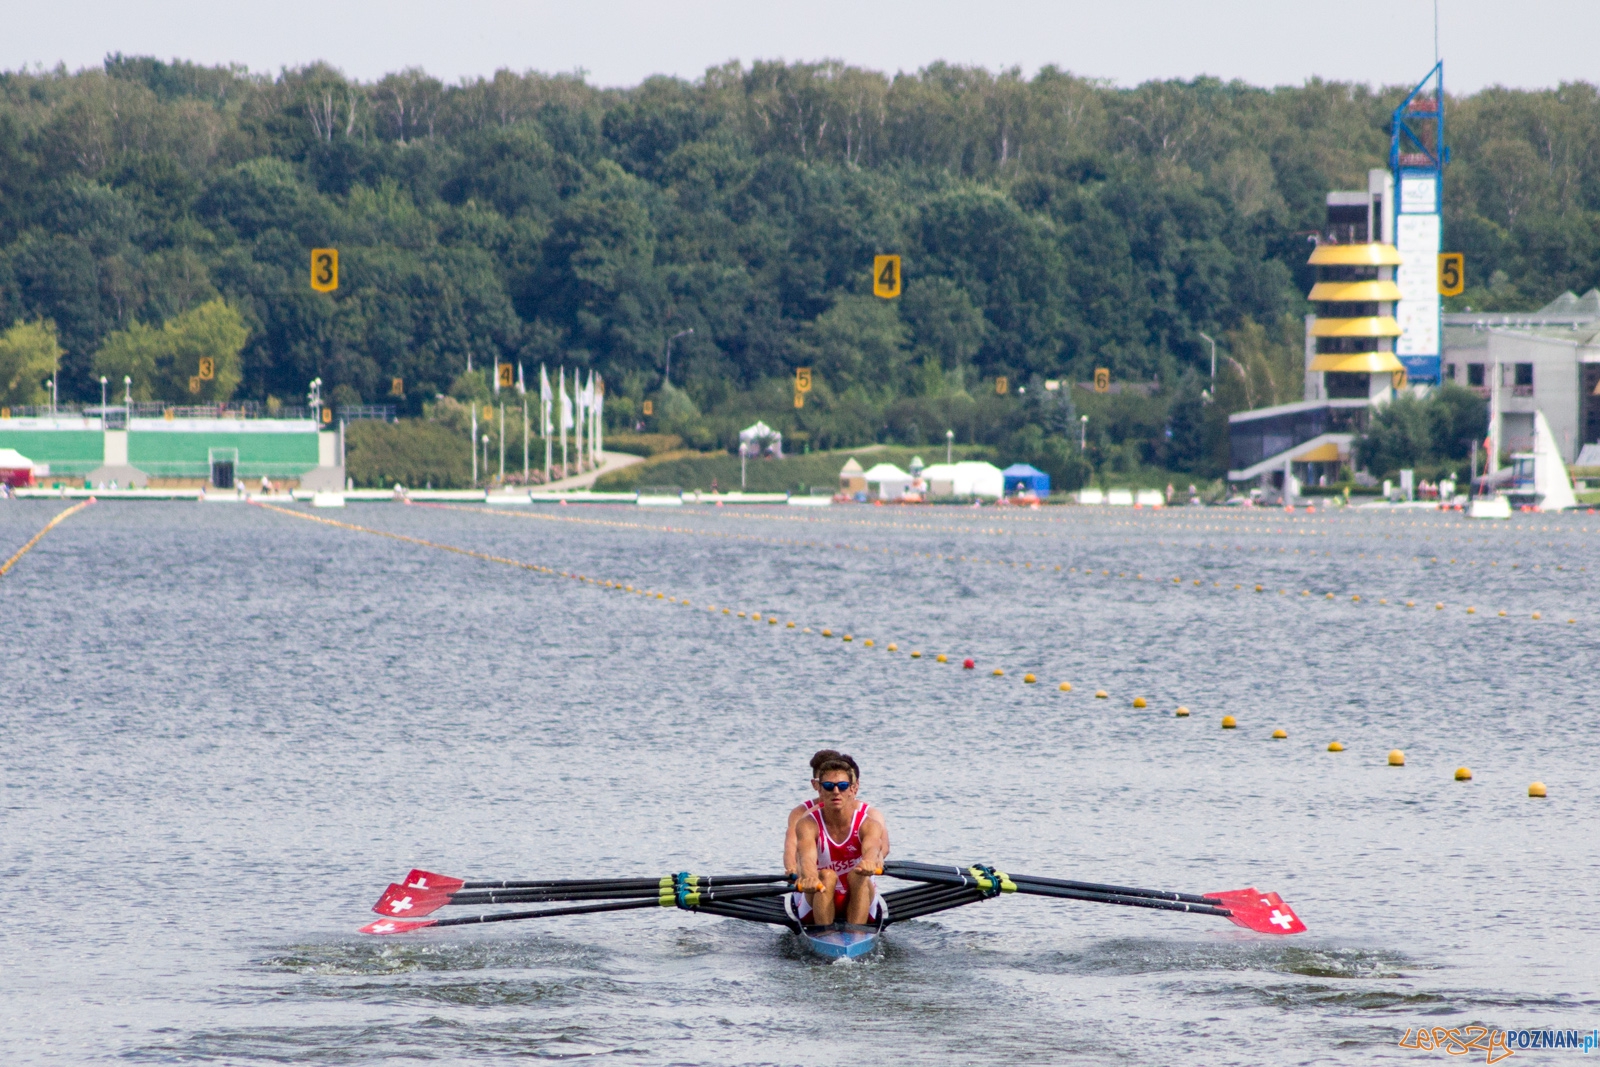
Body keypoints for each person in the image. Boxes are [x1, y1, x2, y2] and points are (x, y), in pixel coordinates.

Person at [789, 751, 888, 927]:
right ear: (818, 788)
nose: (836, 791)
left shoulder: (869, 823)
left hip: (858, 892)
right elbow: (806, 857)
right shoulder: (807, 823)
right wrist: (810, 876)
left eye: (842, 785)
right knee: (826, 875)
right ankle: (824, 933)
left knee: (858, 875)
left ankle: (856, 935)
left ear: (853, 788)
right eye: (828, 786)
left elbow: (873, 848)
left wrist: (870, 862)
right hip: (819, 893)